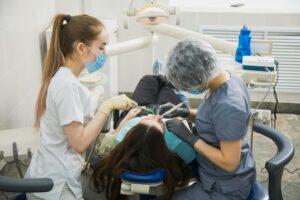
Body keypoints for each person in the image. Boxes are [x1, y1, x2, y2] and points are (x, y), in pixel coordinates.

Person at [25, 14, 136, 200]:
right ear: (81, 48)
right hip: (55, 186)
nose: (104, 53)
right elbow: (79, 143)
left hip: (52, 175)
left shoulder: (65, 79)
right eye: (101, 47)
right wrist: (106, 106)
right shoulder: (67, 85)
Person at [159, 38, 256, 199]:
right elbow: (215, 118)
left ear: (198, 76)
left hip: (225, 187)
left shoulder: (229, 104)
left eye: (187, 84)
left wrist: (191, 139)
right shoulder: (225, 79)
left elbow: (230, 163)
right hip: (212, 172)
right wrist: (185, 112)